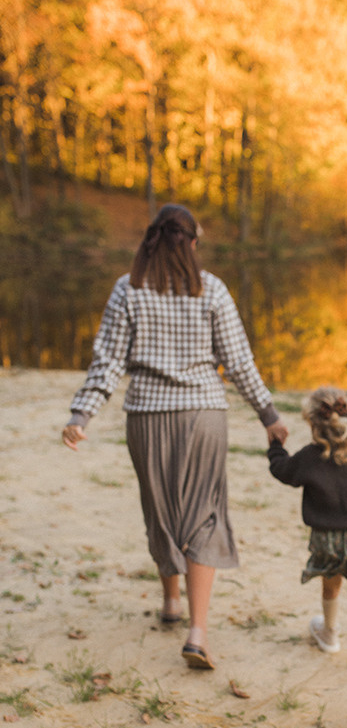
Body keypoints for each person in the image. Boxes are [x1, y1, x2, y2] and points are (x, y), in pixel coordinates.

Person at [62, 203, 287, 670]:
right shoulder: (212, 290)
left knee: (160, 508)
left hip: (147, 416)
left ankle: (171, 602)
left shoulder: (129, 289)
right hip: (204, 414)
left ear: (151, 241)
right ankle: (197, 632)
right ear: (193, 244)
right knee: (203, 513)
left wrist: (82, 415)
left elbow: (107, 363)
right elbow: (238, 361)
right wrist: (267, 413)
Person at [267, 386, 347, 652]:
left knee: (331, 585)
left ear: (313, 422)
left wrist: (275, 446)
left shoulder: (311, 457)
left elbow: (282, 471)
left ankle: (330, 633)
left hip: (328, 537)